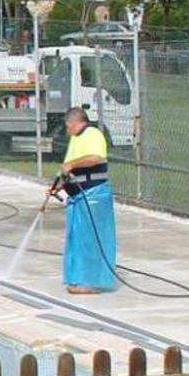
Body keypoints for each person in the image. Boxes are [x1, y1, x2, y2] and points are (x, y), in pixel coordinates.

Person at [50, 107, 117, 294]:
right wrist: (58, 186)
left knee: (91, 239)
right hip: (78, 198)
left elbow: (96, 158)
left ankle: (93, 282)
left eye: (67, 125)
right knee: (77, 240)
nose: (67, 129)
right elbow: (69, 172)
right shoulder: (75, 139)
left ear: (73, 122)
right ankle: (77, 278)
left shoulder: (92, 134)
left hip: (93, 196)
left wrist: (72, 164)